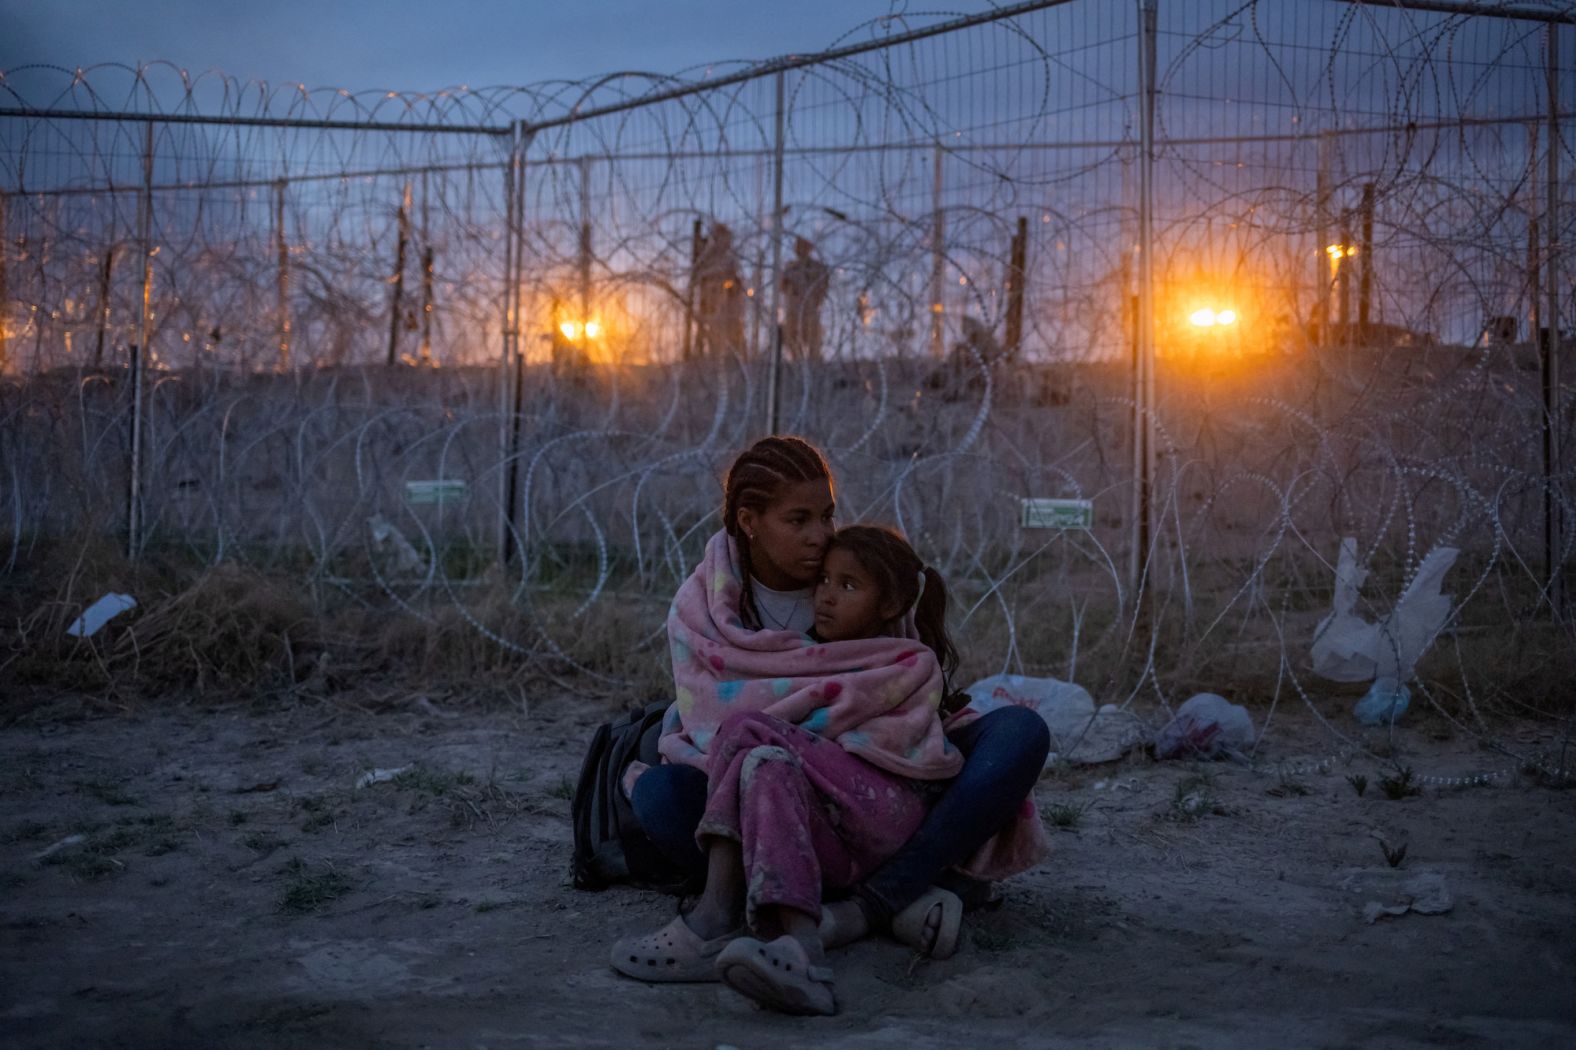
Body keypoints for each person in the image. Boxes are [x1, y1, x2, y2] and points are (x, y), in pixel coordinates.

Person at [619, 437, 1048, 967]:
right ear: (750, 521)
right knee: (663, 795)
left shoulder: (859, 569)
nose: (820, 537)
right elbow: (714, 725)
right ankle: (902, 893)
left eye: (826, 516)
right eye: (798, 520)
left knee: (1018, 734)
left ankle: (863, 904)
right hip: (767, 787)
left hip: (876, 776)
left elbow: (909, 689)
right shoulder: (703, 609)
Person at [612, 523, 968, 1014]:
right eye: (823, 581)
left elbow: (867, 741)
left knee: (745, 733)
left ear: (888, 606)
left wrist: (766, 734)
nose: (825, 596)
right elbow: (803, 736)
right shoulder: (810, 655)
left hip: (887, 810)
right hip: (833, 832)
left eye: (847, 586)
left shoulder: (906, 659)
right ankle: (801, 951)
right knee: (765, 761)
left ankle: (715, 914)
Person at [782, 236, 830, 361]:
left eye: (802, 248)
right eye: (797, 248)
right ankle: (797, 363)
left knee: (813, 340)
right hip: (793, 309)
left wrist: (816, 299)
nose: (799, 251)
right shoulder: (790, 267)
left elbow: (823, 285)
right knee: (792, 339)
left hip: (809, 309)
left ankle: (813, 366)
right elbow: (782, 286)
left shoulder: (816, 267)